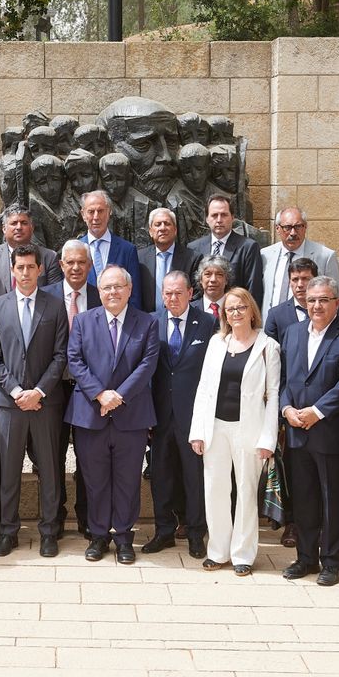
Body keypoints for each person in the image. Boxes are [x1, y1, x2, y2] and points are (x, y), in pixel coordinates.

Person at [66, 265, 160, 564]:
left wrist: (118, 396)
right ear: (100, 291)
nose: (112, 292)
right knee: (94, 480)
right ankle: (97, 535)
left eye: (118, 287)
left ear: (129, 290)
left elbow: (147, 364)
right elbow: (75, 359)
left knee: (127, 479)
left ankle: (123, 537)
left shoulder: (146, 323)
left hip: (131, 416)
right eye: (106, 287)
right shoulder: (83, 321)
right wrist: (100, 393)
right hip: (90, 415)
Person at [0, 244, 69, 558]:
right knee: (9, 470)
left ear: (40, 269)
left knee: (49, 468)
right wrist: (18, 392)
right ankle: (8, 530)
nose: (25, 272)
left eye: (31, 267)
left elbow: (61, 356)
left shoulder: (55, 305)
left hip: (46, 403)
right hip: (10, 404)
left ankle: (49, 532)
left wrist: (39, 392)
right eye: (20, 267)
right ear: (12, 269)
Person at [189, 288, 281, 576]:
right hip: (215, 427)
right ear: (224, 314)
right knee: (215, 489)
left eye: (241, 307)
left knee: (245, 491)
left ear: (252, 310)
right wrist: (198, 431)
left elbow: (273, 395)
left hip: (249, 429)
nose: (236, 313)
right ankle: (217, 551)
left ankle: (243, 554)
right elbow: (204, 388)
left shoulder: (268, 346)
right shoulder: (217, 343)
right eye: (230, 309)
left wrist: (269, 439)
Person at [279, 275, 339, 587]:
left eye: (323, 300)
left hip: (330, 431)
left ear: (337, 303)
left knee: (332, 500)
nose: (317, 305)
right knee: (305, 499)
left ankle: (331, 561)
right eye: (311, 300)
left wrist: (317, 411)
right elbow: (281, 379)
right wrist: (286, 410)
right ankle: (306, 557)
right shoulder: (292, 333)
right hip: (297, 432)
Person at [146, 270, 214, 559]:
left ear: (190, 293)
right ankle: (164, 530)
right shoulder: (151, 322)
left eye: (178, 292)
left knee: (194, 476)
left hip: (193, 416)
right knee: (161, 475)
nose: (172, 298)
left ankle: (196, 532)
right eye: (167, 293)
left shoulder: (208, 323)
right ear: (162, 295)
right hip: (159, 415)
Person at [42, 239, 101, 536]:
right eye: (70, 262)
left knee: (87, 456)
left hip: (88, 390)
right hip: (52, 390)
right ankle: (54, 517)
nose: (76, 267)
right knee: (51, 456)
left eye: (82, 262)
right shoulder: (45, 296)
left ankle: (87, 518)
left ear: (90, 266)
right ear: (61, 265)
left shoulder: (100, 296)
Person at [260, 207, 339, 319]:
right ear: (278, 229)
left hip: (308, 325)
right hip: (271, 325)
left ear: (305, 227)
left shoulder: (325, 256)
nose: (293, 233)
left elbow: (336, 296)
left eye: (298, 227)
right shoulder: (265, 255)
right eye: (287, 227)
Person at [188, 196, 264, 308]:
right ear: (207, 219)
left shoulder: (248, 247)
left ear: (232, 217)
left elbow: (253, 289)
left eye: (224, 215)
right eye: (214, 215)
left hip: (235, 314)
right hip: (201, 317)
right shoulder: (194, 248)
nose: (219, 220)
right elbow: (192, 288)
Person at [78, 190, 142, 309]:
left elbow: (134, 295)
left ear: (109, 212)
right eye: (91, 212)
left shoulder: (127, 250)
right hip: (87, 323)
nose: (96, 217)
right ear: (83, 214)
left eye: (101, 211)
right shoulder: (76, 251)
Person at [0, 206, 62, 300]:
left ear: (32, 228)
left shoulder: (49, 257)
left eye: (24, 223)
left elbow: (55, 294)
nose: (19, 227)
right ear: (4, 229)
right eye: (14, 223)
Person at [136, 207, 202, 313]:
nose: (162, 228)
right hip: (147, 320)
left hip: (180, 319)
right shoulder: (139, 259)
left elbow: (196, 294)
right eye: (158, 224)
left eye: (167, 223)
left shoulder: (192, 258)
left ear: (175, 230)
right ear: (150, 232)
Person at [264, 257, 317, 348]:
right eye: (295, 280)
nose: (300, 285)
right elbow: (270, 354)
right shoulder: (276, 315)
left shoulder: (329, 310)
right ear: (289, 282)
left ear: (315, 281)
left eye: (305, 279)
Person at [195, 255, 232, 320]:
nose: (213, 279)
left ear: (226, 280)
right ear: (200, 279)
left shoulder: (235, 308)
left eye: (219, 274)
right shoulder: (189, 309)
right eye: (208, 274)